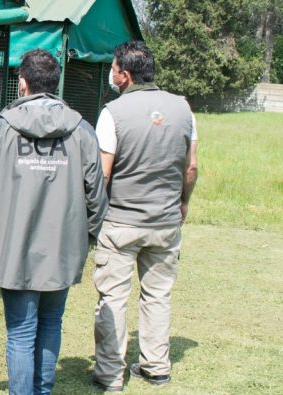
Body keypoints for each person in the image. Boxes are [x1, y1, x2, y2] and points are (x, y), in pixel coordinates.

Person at [0, 49, 108, 395]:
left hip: (15, 249)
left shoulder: (2, 128)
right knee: (51, 322)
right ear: (55, 85)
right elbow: (97, 194)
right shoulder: (82, 130)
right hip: (63, 249)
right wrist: (97, 234)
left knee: (21, 332)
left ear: (22, 83)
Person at [90, 40, 199, 392]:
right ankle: (156, 367)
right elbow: (191, 166)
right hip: (166, 223)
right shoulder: (183, 108)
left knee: (113, 298)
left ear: (125, 74)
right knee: (158, 296)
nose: (111, 74)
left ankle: (109, 375)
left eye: (113, 67)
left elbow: (102, 174)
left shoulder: (112, 112)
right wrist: (184, 203)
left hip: (121, 223)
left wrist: (93, 216)